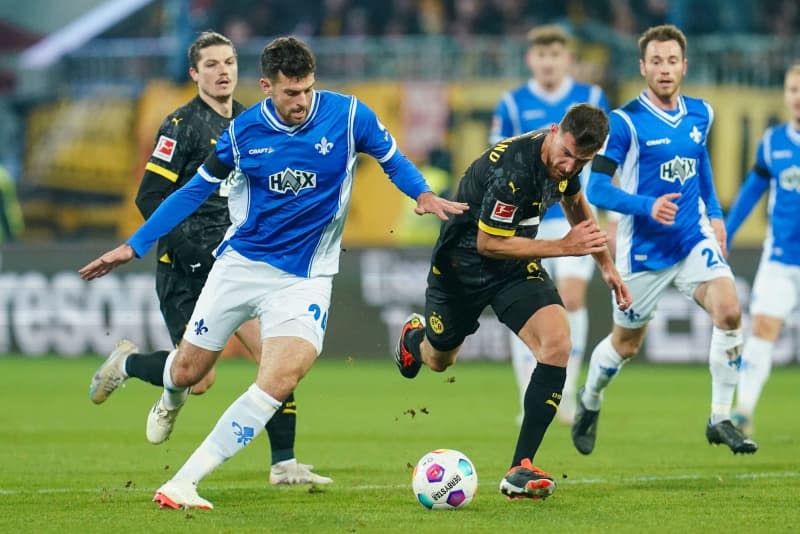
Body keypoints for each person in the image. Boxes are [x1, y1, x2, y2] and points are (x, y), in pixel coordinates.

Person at [79, 35, 467, 510]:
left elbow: (393, 160)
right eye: (289, 93)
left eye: (306, 90)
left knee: (280, 378)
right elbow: (190, 193)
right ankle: (169, 397)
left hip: (305, 279)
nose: (301, 101)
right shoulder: (242, 134)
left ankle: (184, 482)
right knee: (188, 372)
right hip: (240, 268)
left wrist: (422, 194)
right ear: (267, 87)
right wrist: (133, 245)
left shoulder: (348, 116)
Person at [86, 32, 331, 486]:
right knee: (199, 380)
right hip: (187, 267)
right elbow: (151, 196)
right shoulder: (180, 126)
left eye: (229, 62)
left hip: (242, 263)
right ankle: (126, 365)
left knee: (276, 361)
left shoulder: (252, 122)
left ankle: (283, 464)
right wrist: (193, 250)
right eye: (212, 64)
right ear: (194, 74)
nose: (223, 71)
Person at [393, 103, 631, 501]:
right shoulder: (513, 170)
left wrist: (605, 264)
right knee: (439, 360)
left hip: (514, 265)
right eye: (568, 154)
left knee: (557, 343)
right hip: (462, 267)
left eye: (582, 160)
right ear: (555, 131)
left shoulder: (568, 162)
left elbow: (574, 202)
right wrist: (562, 247)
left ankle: (520, 467)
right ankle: (413, 342)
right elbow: (488, 243)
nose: (570, 166)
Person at [572, 24, 758, 456]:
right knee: (626, 344)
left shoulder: (701, 114)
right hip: (642, 251)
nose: (665, 69)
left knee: (729, 311)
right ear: (643, 67)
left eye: (672, 61)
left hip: (692, 239)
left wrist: (715, 215)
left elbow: (700, 164)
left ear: (684, 66)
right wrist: (645, 206)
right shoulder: (624, 123)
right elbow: (596, 189)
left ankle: (719, 417)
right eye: (656, 61)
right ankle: (590, 399)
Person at [490, 24, 611, 424]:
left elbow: (607, 161)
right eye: (541, 55)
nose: (548, 62)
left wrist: (606, 214)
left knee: (571, 299)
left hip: (573, 213)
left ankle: (563, 393)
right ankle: (529, 392)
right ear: (531, 59)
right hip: (526, 220)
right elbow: (496, 158)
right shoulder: (511, 104)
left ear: (567, 59)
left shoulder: (591, 99)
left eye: (555, 55)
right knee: (525, 304)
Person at [725, 64, 800, 436]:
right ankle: (744, 410)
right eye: (793, 89)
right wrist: (728, 232)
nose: (798, 97)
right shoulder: (773, 142)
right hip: (781, 258)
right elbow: (750, 193)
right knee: (763, 329)